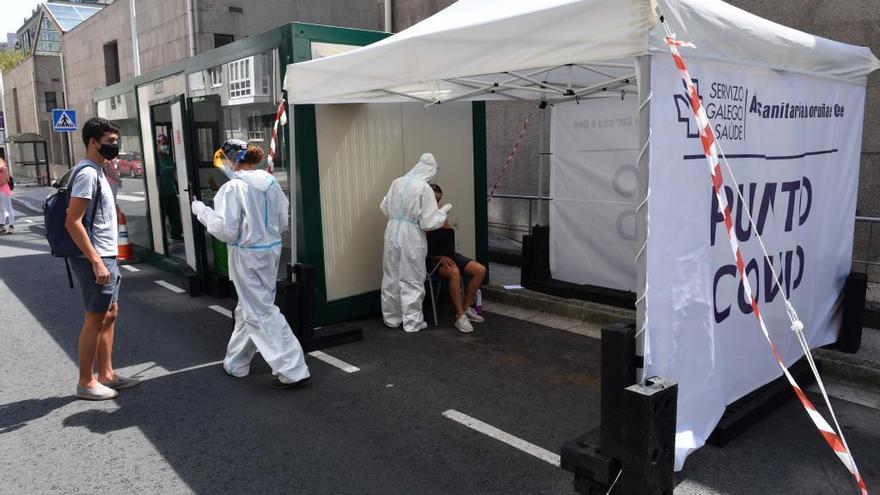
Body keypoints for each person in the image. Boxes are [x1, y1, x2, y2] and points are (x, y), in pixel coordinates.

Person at [191, 140, 310, 389]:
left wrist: (202, 211)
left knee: (261, 312)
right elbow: (283, 221)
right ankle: (236, 363)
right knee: (248, 310)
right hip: (270, 252)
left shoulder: (233, 188)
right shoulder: (271, 182)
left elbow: (227, 231)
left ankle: (293, 368)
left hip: (246, 255)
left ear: (231, 160)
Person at [65, 117, 140, 400]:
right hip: (95, 257)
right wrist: (96, 260)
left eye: (116, 141)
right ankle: (86, 382)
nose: (115, 146)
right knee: (95, 318)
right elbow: (72, 221)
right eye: (109, 142)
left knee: (110, 314)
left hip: (106, 254)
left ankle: (107, 374)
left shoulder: (98, 170)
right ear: (92, 142)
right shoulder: (86, 173)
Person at [380, 153, 451, 333]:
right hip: (411, 234)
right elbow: (429, 222)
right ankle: (412, 322)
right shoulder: (423, 188)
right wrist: (442, 212)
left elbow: (384, 207)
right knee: (411, 277)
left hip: (392, 230)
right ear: (431, 171)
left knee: (391, 275)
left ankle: (392, 318)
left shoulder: (397, 182)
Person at [427, 184, 487, 333]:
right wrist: (439, 257)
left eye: (439, 200)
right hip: (431, 258)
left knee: (480, 270)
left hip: (447, 254)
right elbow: (419, 249)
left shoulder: (439, 213)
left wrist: (441, 217)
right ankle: (460, 317)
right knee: (454, 272)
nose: (436, 204)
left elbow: (447, 236)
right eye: (434, 200)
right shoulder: (419, 216)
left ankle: (465, 308)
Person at [156, 134, 183, 241]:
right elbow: (166, 170)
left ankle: (176, 234)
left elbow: (172, 174)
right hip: (161, 192)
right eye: (163, 144)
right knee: (161, 217)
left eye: (167, 144)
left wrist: (177, 187)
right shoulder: (156, 158)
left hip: (171, 191)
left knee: (175, 216)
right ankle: (161, 238)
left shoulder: (167, 156)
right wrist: (176, 167)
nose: (165, 146)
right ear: (158, 145)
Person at [0, 158, 13, 235]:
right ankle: (2, 226)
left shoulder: (4, 169)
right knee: (0, 209)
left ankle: (11, 226)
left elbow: (4, 181)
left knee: (8, 208)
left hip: (4, 191)